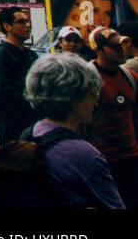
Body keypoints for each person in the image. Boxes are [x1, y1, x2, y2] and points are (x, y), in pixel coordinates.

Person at [22, 54, 124, 208]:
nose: (95, 103)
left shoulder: (30, 133)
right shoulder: (83, 154)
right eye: (92, 95)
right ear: (74, 98)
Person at [86, 27, 138, 207]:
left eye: (122, 45)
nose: (120, 50)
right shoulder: (88, 78)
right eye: (114, 47)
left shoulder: (129, 76)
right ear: (99, 50)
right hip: (102, 162)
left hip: (131, 159)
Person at [0, 6, 37, 145]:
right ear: (7, 26)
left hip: (35, 124)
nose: (27, 25)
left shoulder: (31, 55)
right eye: (21, 22)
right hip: (13, 126)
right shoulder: (0, 55)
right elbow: (3, 92)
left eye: (28, 21)